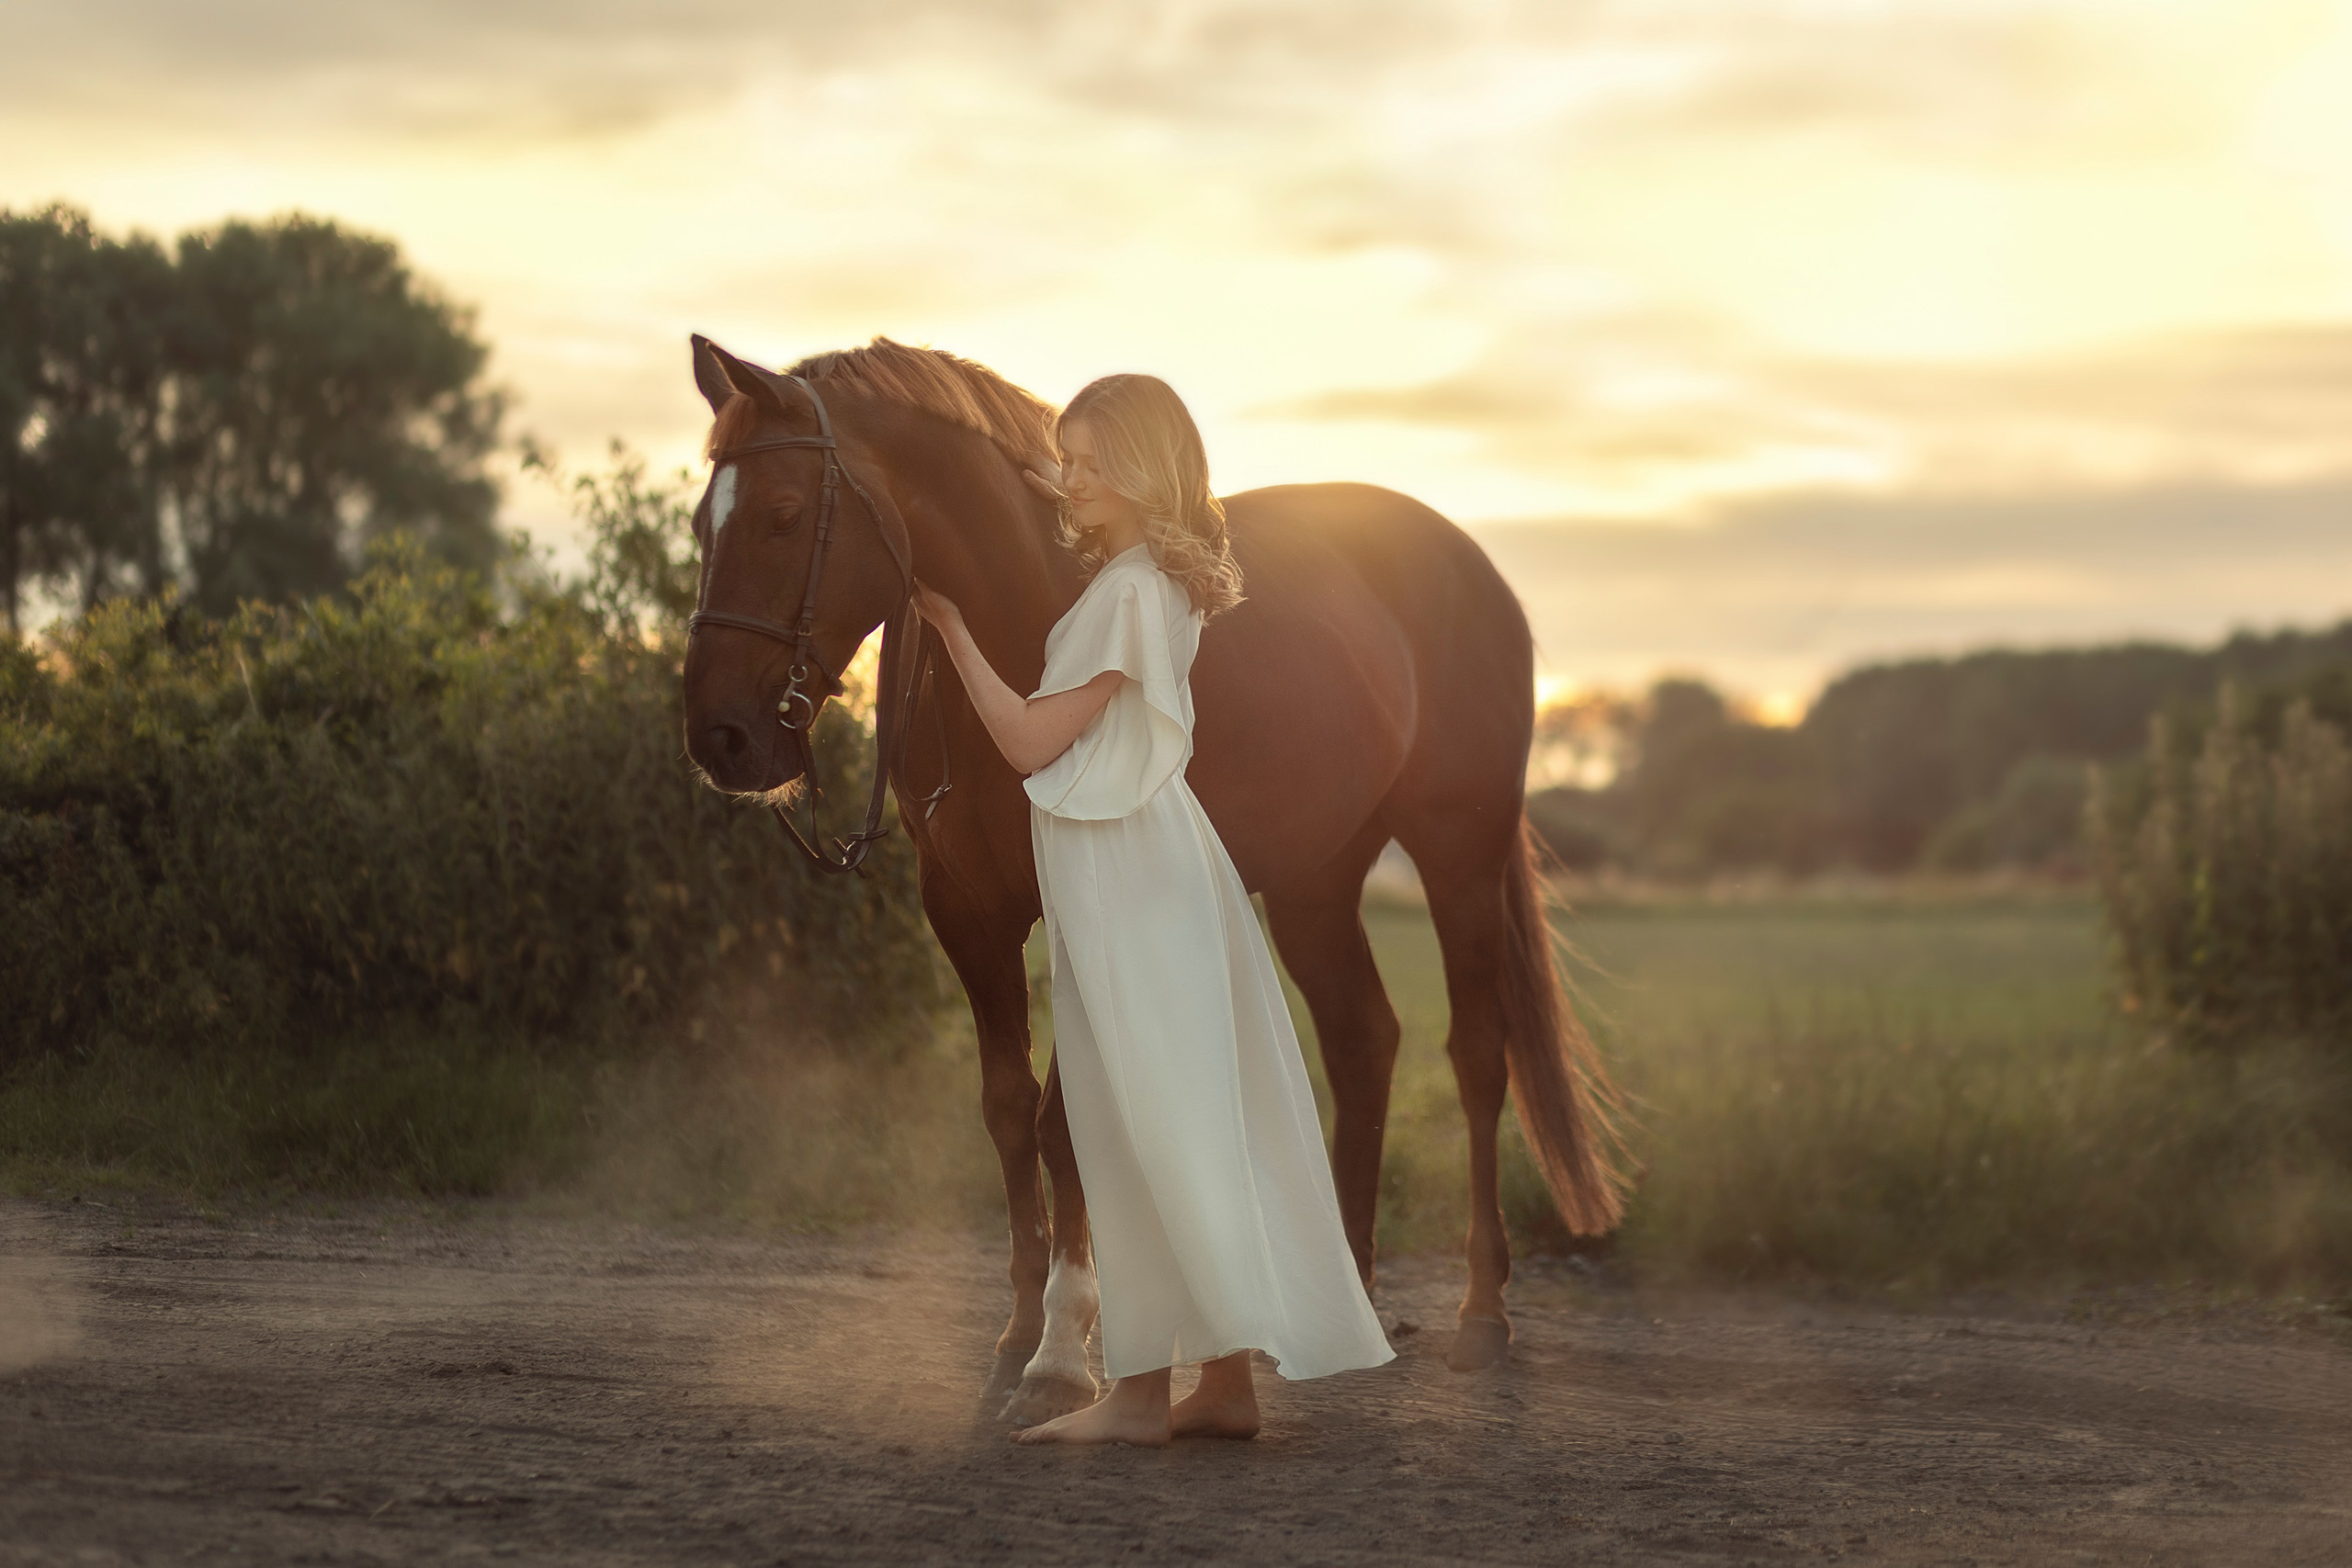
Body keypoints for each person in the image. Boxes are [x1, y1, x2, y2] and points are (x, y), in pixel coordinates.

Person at [911, 373, 1395, 1448]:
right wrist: (1043, 475)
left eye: (1089, 464)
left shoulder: (1130, 587)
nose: (1067, 482)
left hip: (1126, 867)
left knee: (1141, 1119)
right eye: (1064, 463)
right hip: (1139, 859)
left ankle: (1148, 1394)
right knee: (1157, 1118)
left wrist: (947, 626)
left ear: (1135, 470)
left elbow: (1032, 741)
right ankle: (1207, 1386)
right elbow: (1071, 493)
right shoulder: (1159, 572)